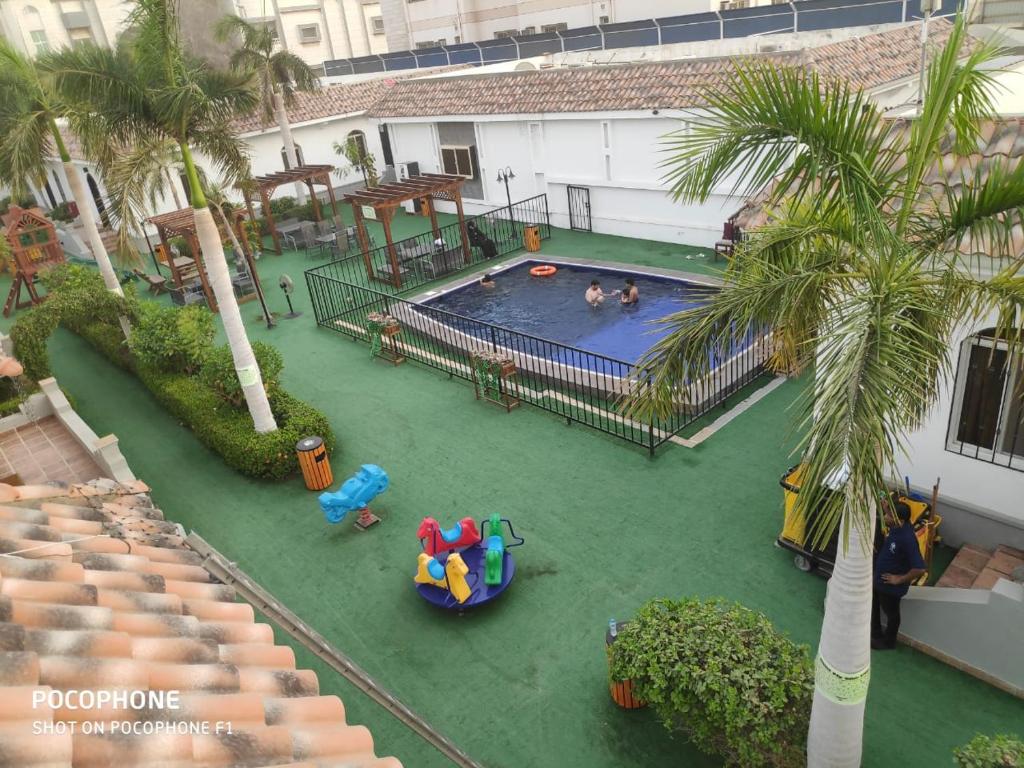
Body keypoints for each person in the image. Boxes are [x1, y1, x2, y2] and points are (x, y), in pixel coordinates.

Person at [871, 497, 926, 650]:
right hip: (879, 581)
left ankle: (888, 642)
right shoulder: (899, 525)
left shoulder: (907, 539)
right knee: (873, 604)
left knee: (892, 614)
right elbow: (892, 516)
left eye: (888, 515)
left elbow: (920, 568)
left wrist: (899, 579)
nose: (885, 517)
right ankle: (875, 634)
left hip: (890, 587)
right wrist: (887, 507)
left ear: (900, 520)